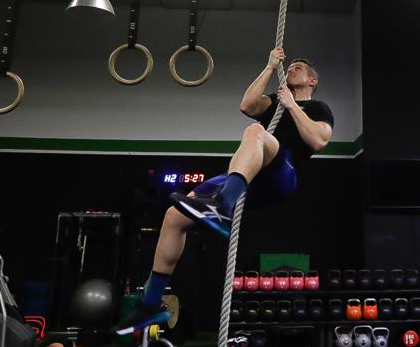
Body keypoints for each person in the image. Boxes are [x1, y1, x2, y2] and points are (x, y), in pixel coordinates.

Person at [123, 48, 334, 327]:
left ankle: (223, 204)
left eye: (299, 68)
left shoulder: (318, 108)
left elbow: (318, 141)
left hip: (283, 174)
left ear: (312, 81)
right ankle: (151, 302)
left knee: (255, 132)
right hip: (250, 175)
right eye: (291, 66)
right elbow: (247, 106)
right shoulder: (274, 102)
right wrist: (271, 67)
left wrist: (293, 105)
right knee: (174, 216)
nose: (292, 69)